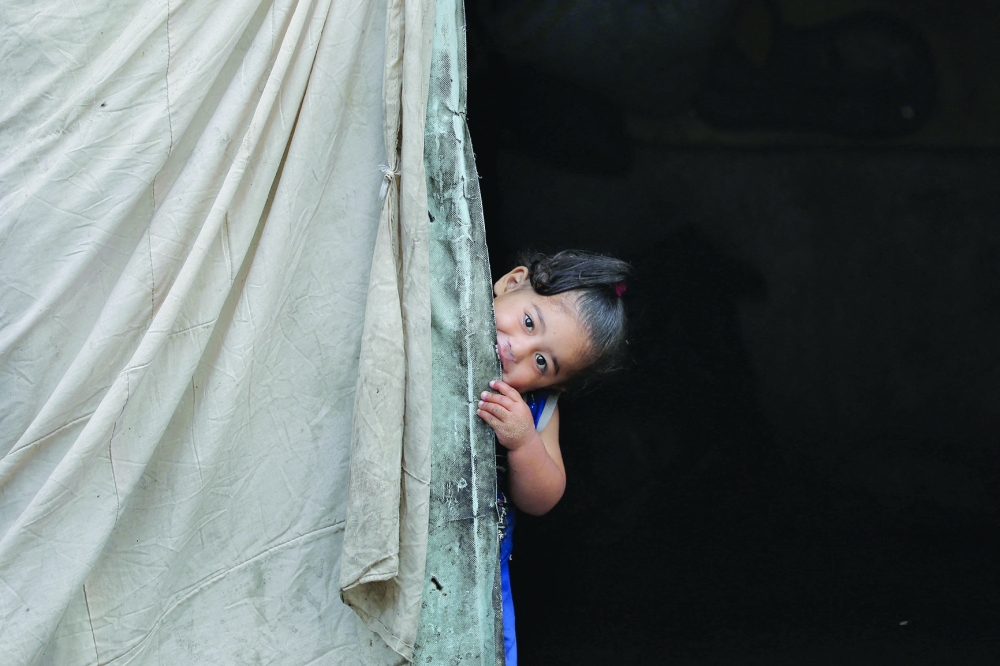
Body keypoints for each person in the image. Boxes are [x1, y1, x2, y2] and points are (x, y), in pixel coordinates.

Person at [476, 249, 631, 665]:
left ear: (555, 386)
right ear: (511, 282)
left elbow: (544, 496)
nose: (519, 350)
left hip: (474, 570)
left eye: (542, 362)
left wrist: (524, 442)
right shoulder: (436, 322)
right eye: (528, 322)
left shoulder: (538, 407)